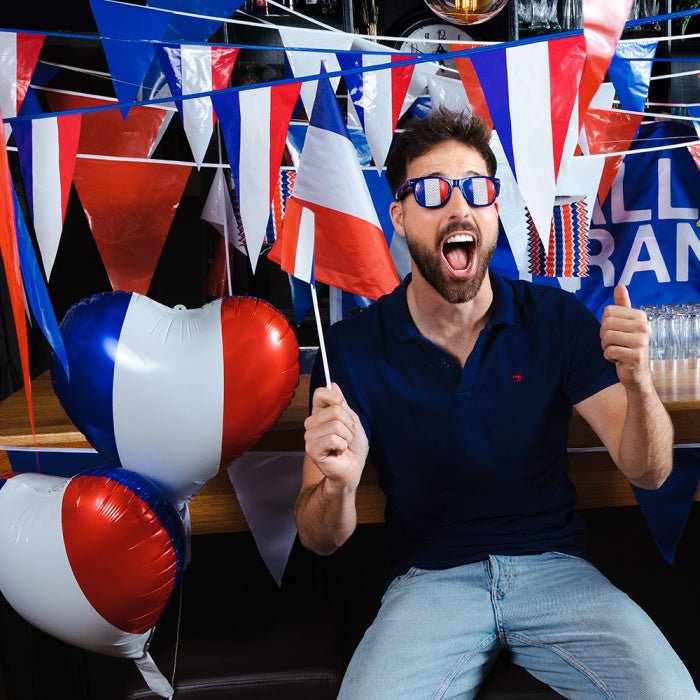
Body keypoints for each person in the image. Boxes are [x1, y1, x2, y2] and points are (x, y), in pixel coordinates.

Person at [295, 108, 698, 699]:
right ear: (399, 217)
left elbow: (651, 470)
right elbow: (319, 538)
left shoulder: (556, 320)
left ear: (494, 209)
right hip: (429, 584)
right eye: (432, 192)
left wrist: (639, 384)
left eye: (476, 190)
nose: (459, 208)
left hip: (558, 573)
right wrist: (338, 486)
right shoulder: (349, 352)